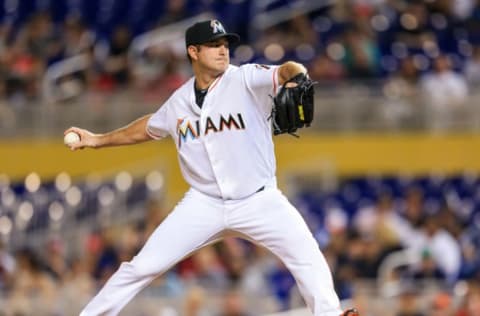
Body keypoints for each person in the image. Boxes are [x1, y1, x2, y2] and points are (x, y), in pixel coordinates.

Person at [65, 19, 358, 316]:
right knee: (141, 267)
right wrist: (98, 140)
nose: (223, 50)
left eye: (225, 44)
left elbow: (286, 69)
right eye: (214, 45)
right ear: (193, 51)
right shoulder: (178, 102)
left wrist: (298, 76)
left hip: (258, 198)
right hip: (204, 203)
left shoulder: (244, 78)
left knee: (306, 254)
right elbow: (145, 128)